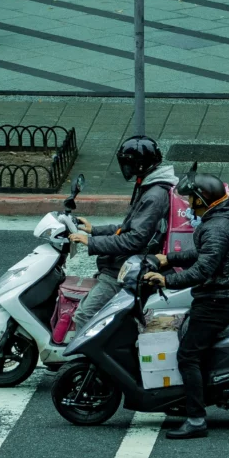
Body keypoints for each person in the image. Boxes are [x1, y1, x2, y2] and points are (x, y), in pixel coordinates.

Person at [144, 172, 229, 439]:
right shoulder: (218, 222)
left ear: (202, 200)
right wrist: (168, 258)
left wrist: (166, 280)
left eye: (191, 198)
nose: (188, 204)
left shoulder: (215, 228)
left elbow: (202, 269)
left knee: (188, 355)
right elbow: (202, 254)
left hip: (217, 301)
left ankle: (196, 419)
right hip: (216, 296)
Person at [69, 136, 178, 331]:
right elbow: (129, 226)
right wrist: (95, 230)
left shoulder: (154, 195)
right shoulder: (149, 186)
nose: (125, 168)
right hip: (127, 261)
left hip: (124, 268)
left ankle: (81, 362)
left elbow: (134, 240)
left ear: (140, 165)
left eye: (128, 163)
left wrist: (91, 242)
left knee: (85, 316)